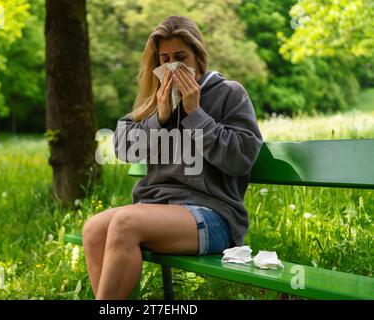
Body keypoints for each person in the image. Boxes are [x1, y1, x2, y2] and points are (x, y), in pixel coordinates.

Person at [82, 15, 263, 300]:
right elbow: (123, 149)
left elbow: (240, 159)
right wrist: (160, 118)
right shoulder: (155, 100)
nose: (172, 65)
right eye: (164, 58)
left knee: (126, 223)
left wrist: (196, 114)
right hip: (156, 209)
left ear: (199, 57)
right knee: (94, 229)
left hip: (214, 216)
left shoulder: (230, 93)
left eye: (180, 56)